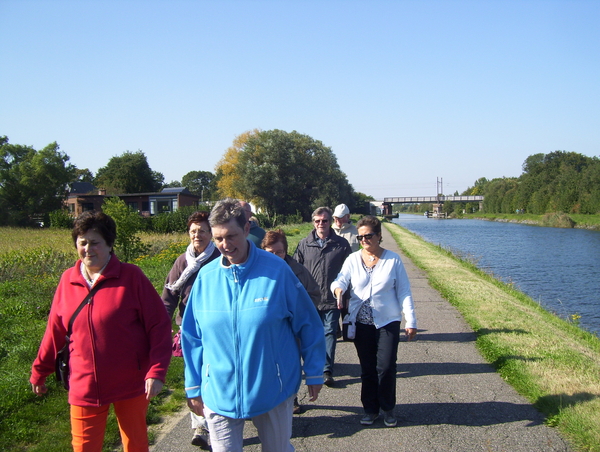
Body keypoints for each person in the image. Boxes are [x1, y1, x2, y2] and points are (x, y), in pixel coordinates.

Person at [181, 198, 326, 452]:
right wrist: (193, 383)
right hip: (219, 391)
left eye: (231, 236)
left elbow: (308, 323)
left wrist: (314, 370)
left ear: (247, 229)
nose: (225, 246)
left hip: (272, 389)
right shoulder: (206, 277)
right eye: (218, 239)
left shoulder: (277, 271)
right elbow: (193, 336)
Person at [30, 211, 172, 452]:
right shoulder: (67, 280)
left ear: (109, 244)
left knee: (135, 444)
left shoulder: (131, 277)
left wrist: (156, 371)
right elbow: (54, 330)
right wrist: (40, 371)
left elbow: (158, 325)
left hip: (130, 380)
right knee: (84, 447)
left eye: (94, 242)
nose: (88, 249)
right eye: (82, 242)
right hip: (84, 382)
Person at [331, 215, 417, 428]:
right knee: (367, 368)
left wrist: (411, 320)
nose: (364, 240)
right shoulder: (352, 259)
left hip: (388, 321)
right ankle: (370, 409)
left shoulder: (393, 260)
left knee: (386, 366)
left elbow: (404, 291)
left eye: (368, 236)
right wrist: (338, 289)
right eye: (360, 237)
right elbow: (340, 279)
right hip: (361, 323)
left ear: (379, 236)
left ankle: (387, 408)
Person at [161, 210, 220, 449]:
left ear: (211, 233)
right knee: (194, 375)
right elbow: (169, 295)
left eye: (202, 231)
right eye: (193, 231)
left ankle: (219, 418)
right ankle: (200, 425)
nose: (197, 235)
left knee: (214, 375)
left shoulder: (219, 257)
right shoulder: (182, 261)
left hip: (215, 329)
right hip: (188, 330)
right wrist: (162, 325)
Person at [261, 229, 321, 414]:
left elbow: (314, 294)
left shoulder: (298, 271)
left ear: (286, 251)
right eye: (270, 252)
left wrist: (298, 310)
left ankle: (292, 398)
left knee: (290, 362)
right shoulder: (258, 271)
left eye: (279, 252)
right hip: (266, 329)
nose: (276, 256)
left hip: (291, 329)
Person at [293, 206, 352, 387]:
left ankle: (327, 370)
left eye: (324, 221)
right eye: (317, 221)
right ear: (313, 222)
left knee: (329, 334)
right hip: (310, 300)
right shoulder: (304, 244)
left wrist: (347, 295)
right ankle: (312, 367)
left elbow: (349, 273)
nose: (321, 224)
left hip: (332, 299)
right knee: (309, 335)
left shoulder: (341, 244)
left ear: (330, 222)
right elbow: (295, 270)